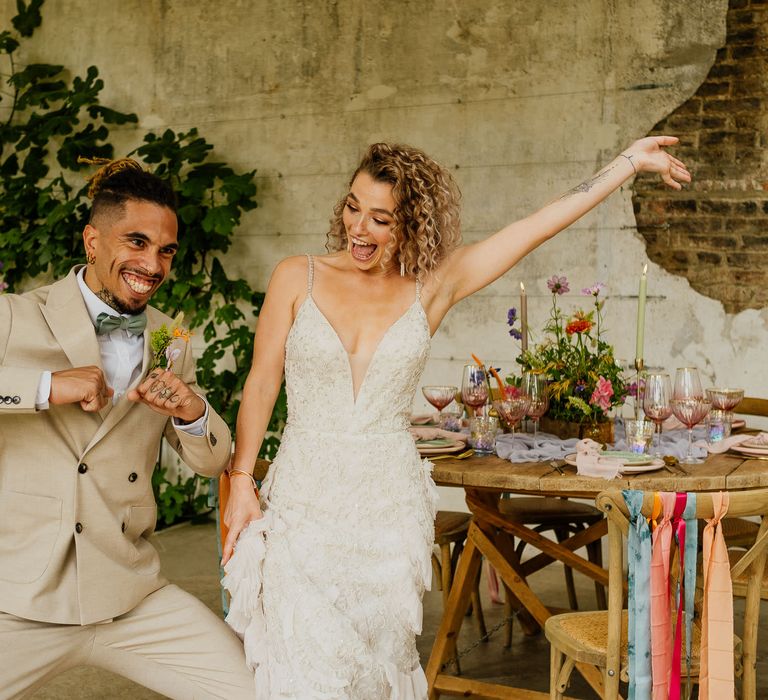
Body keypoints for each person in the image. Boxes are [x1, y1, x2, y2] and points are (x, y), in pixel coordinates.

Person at [222, 137, 690, 698]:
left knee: (373, 669)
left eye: (380, 218)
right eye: (352, 207)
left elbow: (537, 226)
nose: (359, 229)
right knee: (302, 665)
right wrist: (243, 478)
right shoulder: (297, 276)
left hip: (385, 510)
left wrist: (630, 163)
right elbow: (262, 380)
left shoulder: (432, 287)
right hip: (303, 500)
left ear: (411, 223)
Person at [0, 159, 255, 699]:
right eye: (135, 242)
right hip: (17, 599)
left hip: (129, 593)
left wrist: (190, 412)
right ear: (92, 241)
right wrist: (47, 387)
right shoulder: (14, 318)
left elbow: (213, 461)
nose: (152, 264)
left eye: (165, 250)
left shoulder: (172, 340)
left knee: (256, 690)